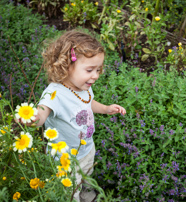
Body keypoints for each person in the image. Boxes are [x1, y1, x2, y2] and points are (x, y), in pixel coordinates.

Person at [34, 30, 126, 202]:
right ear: (66, 65)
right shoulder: (55, 93)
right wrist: (33, 118)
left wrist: (105, 108)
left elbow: (88, 103)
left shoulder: (83, 86)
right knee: (69, 188)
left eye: (98, 69)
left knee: (87, 174)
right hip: (65, 159)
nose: (96, 75)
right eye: (90, 70)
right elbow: (42, 114)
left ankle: (86, 192)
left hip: (87, 148)